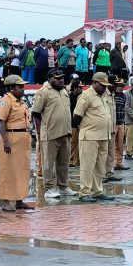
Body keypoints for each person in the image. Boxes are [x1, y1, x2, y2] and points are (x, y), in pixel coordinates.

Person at [32, 69, 77, 199]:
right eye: (57, 78)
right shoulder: (43, 92)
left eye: (62, 78)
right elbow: (36, 113)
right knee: (48, 163)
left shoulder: (64, 91)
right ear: (50, 78)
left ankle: (63, 186)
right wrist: (42, 130)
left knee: (64, 162)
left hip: (65, 132)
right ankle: (49, 188)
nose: (61, 80)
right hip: (50, 133)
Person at [73, 72, 116, 202]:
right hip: (90, 136)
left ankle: (97, 191)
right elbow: (76, 116)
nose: (104, 88)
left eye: (105, 86)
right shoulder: (86, 95)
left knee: (99, 166)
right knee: (87, 166)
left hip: (103, 136)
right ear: (94, 83)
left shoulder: (103, 96)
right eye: (102, 85)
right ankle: (84, 192)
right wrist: (87, 127)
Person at [0, 74, 35, 211]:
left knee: (22, 170)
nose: (23, 89)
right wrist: (6, 141)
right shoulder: (6, 101)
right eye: (20, 87)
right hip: (11, 137)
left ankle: (20, 200)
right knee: (8, 170)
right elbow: (1, 122)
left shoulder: (21, 102)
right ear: (11, 88)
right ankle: (6, 201)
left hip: (23, 138)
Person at [111, 78, 129, 172]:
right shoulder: (112, 96)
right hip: (113, 123)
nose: (121, 88)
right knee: (113, 144)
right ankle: (113, 162)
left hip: (121, 122)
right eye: (119, 86)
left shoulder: (123, 96)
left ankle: (119, 162)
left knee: (121, 145)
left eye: (122, 86)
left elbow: (123, 109)